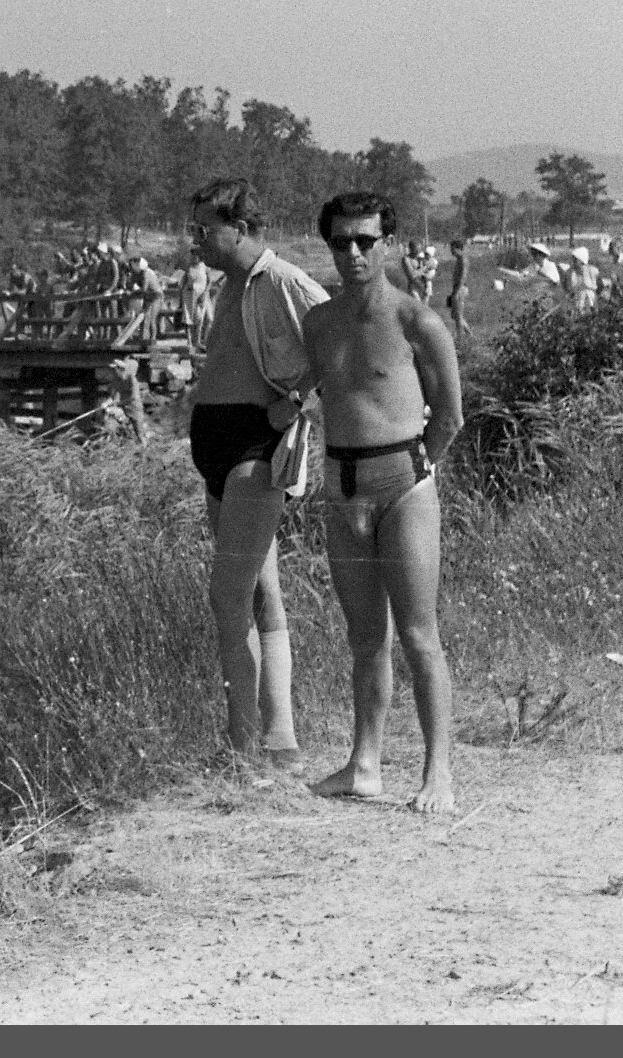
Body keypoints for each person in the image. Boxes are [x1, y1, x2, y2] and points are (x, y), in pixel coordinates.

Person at [304, 192, 464, 814]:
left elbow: (448, 417)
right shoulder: (319, 322)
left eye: (366, 241)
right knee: (365, 637)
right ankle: (363, 764)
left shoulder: (418, 322)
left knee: (420, 634)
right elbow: (310, 386)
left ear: (390, 244)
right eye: (341, 241)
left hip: (404, 486)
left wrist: (410, 474)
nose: (353, 253)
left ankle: (439, 773)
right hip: (341, 488)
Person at [186, 178, 327, 773]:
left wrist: (296, 401)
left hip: (254, 447)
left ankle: (242, 745)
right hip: (218, 448)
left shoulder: (285, 281)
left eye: (203, 230)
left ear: (239, 228)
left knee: (228, 596)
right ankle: (280, 739)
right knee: (261, 592)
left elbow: (339, 340)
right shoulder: (231, 285)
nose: (194, 241)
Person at [181, 255, 213, 351]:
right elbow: (183, 281)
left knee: (203, 318)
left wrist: (205, 292)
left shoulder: (205, 267)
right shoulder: (189, 267)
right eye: (192, 256)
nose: (193, 258)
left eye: (195, 256)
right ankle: (190, 341)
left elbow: (210, 281)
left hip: (202, 294)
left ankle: (201, 341)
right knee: (189, 318)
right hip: (190, 294)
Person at [445, 238, 472, 344]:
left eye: (453, 249)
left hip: (460, 289)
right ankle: (469, 334)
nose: (451, 252)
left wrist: (456, 292)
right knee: (455, 315)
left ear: (458, 249)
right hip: (457, 288)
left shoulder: (463, 260)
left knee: (458, 316)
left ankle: (460, 339)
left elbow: (463, 277)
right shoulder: (459, 259)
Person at [565, 246, 600, 313]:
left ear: (581, 260)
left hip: (590, 299)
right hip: (578, 300)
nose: (573, 262)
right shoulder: (572, 273)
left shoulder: (592, 270)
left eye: (575, 260)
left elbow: (599, 284)